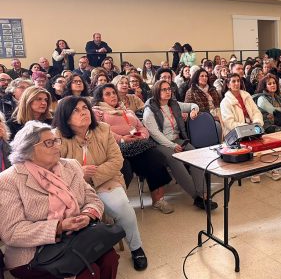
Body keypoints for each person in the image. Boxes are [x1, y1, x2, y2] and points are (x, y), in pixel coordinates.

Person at [0, 121, 118, 279]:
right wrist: (58, 227)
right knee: (86, 274)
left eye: (56, 140)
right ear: (29, 149)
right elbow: (12, 232)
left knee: (109, 259)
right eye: (49, 143)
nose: (57, 146)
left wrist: (88, 215)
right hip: (32, 252)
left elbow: (92, 199)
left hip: (76, 237)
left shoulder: (70, 166)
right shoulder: (9, 180)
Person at [53, 97, 148, 271]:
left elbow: (116, 160)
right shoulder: (57, 137)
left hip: (106, 180)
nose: (83, 112)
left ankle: (136, 248)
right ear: (65, 117)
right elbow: (54, 169)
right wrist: (80, 172)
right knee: (72, 215)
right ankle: (81, 258)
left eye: (85, 108)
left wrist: (94, 175)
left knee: (122, 207)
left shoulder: (103, 129)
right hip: (73, 186)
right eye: (76, 110)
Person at [92, 84, 174, 214]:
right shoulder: (98, 112)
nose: (113, 95)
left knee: (156, 157)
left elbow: (140, 126)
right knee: (125, 167)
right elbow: (101, 131)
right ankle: (118, 207)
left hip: (136, 144)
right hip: (115, 148)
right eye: (108, 94)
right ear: (100, 98)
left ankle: (158, 200)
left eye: (114, 93)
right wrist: (122, 138)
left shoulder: (126, 110)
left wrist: (142, 135)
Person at [143, 80, 215, 211]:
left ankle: (202, 193)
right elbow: (155, 133)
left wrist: (193, 110)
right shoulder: (150, 110)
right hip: (160, 143)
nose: (168, 92)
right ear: (156, 92)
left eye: (169, 89)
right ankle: (197, 197)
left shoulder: (174, 104)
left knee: (196, 155)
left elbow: (193, 105)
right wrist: (171, 145)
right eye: (163, 89)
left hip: (176, 139)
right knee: (176, 160)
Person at [253, 74, 281, 180]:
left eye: (274, 83)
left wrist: (280, 110)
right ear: (265, 86)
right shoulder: (261, 98)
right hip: (268, 125)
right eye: (269, 84)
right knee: (279, 131)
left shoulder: (279, 98)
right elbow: (274, 111)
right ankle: (272, 166)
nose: (272, 85)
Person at [220, 73, 264, 182]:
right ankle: (254, 170)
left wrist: (257, 123)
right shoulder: (225, 102)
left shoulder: (246, 96)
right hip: (236, 133)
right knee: (251, 142)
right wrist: (247, 128)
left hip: (252, 126)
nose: (236, 83)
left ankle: (270, 167)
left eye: (238, 81)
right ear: (228, 84)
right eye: (233, 81)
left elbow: (256, 112)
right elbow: (229, 123)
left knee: (263, 140)